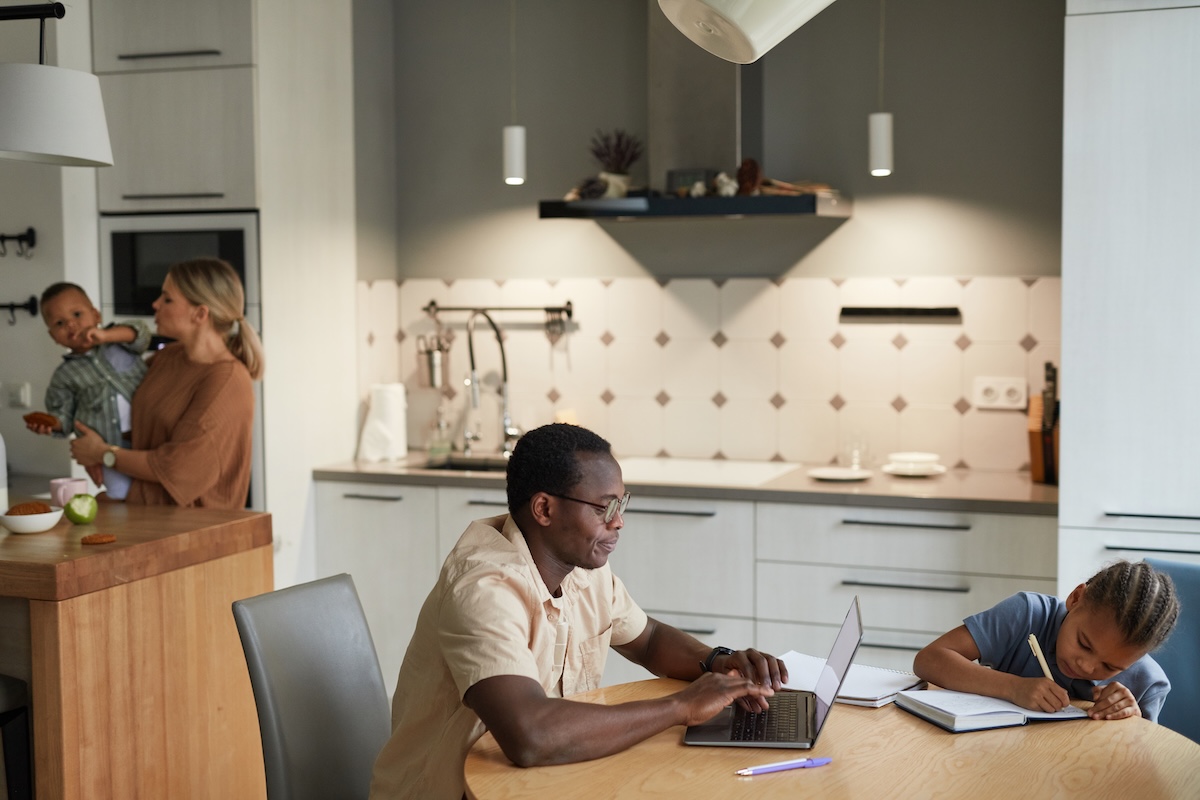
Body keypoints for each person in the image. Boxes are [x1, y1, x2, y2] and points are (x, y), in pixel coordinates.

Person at [369, 423, 788, 799]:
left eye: (622, 503)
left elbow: (649, 640)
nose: (619, 522)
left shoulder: (581, 567)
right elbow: (530, 736)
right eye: (604, 507)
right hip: (455, 789)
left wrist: (719, 663)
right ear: (545, 509)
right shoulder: (483, 589)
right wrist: (681, 707)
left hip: (538, 780)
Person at [69, 258, 264, 509]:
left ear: (200, 314)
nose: (155, 304)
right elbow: (125, 414)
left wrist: (104, 454)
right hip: (146, 516)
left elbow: (179, 468)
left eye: (167, 299)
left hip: (198, 535)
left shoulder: (227, 381)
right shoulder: (167, 358)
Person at [914, 560, 1180, 722]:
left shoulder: (1148, 683)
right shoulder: (1027, 614)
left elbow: (1141, 765)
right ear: (1076, 598)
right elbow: (929, 660)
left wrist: (1129, 719)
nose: (1087, 667)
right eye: (1084, 644)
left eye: (1110, 667)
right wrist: (1013, 688)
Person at [27, 283, 150, 499]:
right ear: (53, 336)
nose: (71, 325)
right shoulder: (63, 376)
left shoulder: (119, 343)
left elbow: (140, 333)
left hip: (149, 436)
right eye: (60, 323)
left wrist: (106, 336)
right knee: (120, 495)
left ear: (96, 315)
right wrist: (51, 423)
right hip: (105, 447)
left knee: (152, 489)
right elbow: (64, 417)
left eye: (77, 314)